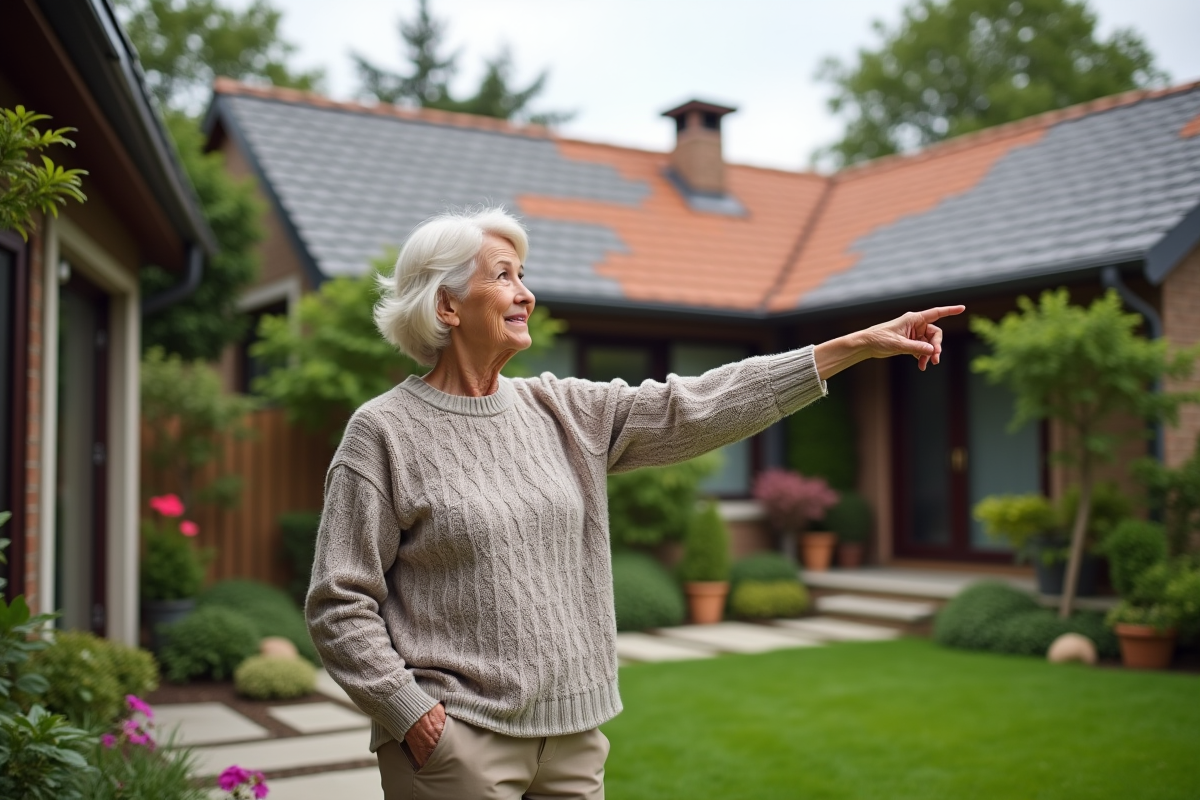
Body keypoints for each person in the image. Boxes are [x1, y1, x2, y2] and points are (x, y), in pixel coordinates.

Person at [305, 207, 964, 799]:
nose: (526, 294)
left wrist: (848, 349)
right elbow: (339, 601)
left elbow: (696, 406)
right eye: (504, 276)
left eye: (522, 275)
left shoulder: (562, 410)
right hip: (458, 746)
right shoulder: (384, 432)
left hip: (574, 738)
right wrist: (412, 716)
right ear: (446, 306)